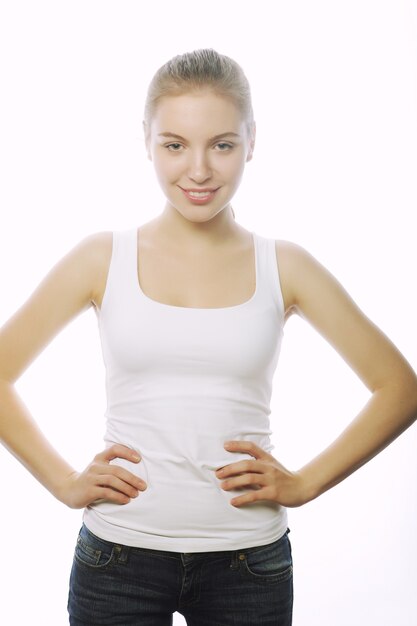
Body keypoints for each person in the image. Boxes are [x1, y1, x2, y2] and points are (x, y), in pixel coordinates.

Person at [0, 48, 416, 626]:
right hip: (117, 558)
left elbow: (399, 387)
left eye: (222, 145)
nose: (198, 170)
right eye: (175, 145)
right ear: (146, 140)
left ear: (252, 140)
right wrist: (63, 482)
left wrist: (305, 483)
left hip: (247, 566)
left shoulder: (285, 265)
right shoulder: (102, 257)